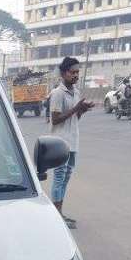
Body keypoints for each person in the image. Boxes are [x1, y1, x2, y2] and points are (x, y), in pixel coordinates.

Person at [49, 56, 94, 228]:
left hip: (73, 141)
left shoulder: (76, 92)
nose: (75, 75)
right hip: (60, 142)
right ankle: (57, 215)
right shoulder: (58, 93)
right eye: (72, 72)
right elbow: (55, 119)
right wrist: (76, 108)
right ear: (63, 73)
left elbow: (75, 118)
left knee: (66, 177)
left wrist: (82, 110)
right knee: (59, 177)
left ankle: (59, 212)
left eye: (77, 72)